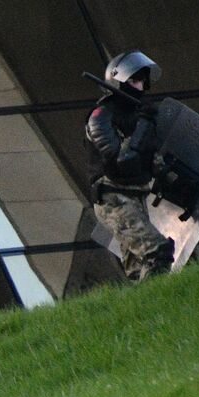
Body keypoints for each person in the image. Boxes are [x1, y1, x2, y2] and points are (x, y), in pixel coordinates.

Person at [85, 50, 174, 282]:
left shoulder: (137, 115)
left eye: (144, 81)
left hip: (136, 197)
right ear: (119, 81)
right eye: (135, 80)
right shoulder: (100, 116)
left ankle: (152, 312)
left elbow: (152, 161)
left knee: (138, 271)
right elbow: (120, 161)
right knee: (157, 253)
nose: (141, 87)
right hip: (113, 198)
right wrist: (144, 125)